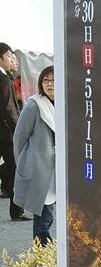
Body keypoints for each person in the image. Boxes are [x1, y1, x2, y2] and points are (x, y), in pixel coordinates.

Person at [13, 66, 56, 245]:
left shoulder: (64, 103)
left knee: (50, 211)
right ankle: (41, 252)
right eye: (45, 80)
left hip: (57, 168)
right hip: (40, 169)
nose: (49, 84)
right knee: (44, 213)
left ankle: (44, 251)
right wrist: (24, 164)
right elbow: (19, 138)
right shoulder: (34, 105)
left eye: (53, 80)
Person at [0, 42, 28, 221]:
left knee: (9, 169)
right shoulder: (3, 79)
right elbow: (8, 109)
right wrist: (20, 130)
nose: (12, 59)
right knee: (16, 170)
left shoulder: (6, 77)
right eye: (9, 56)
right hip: (6, 135)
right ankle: (17, 211)